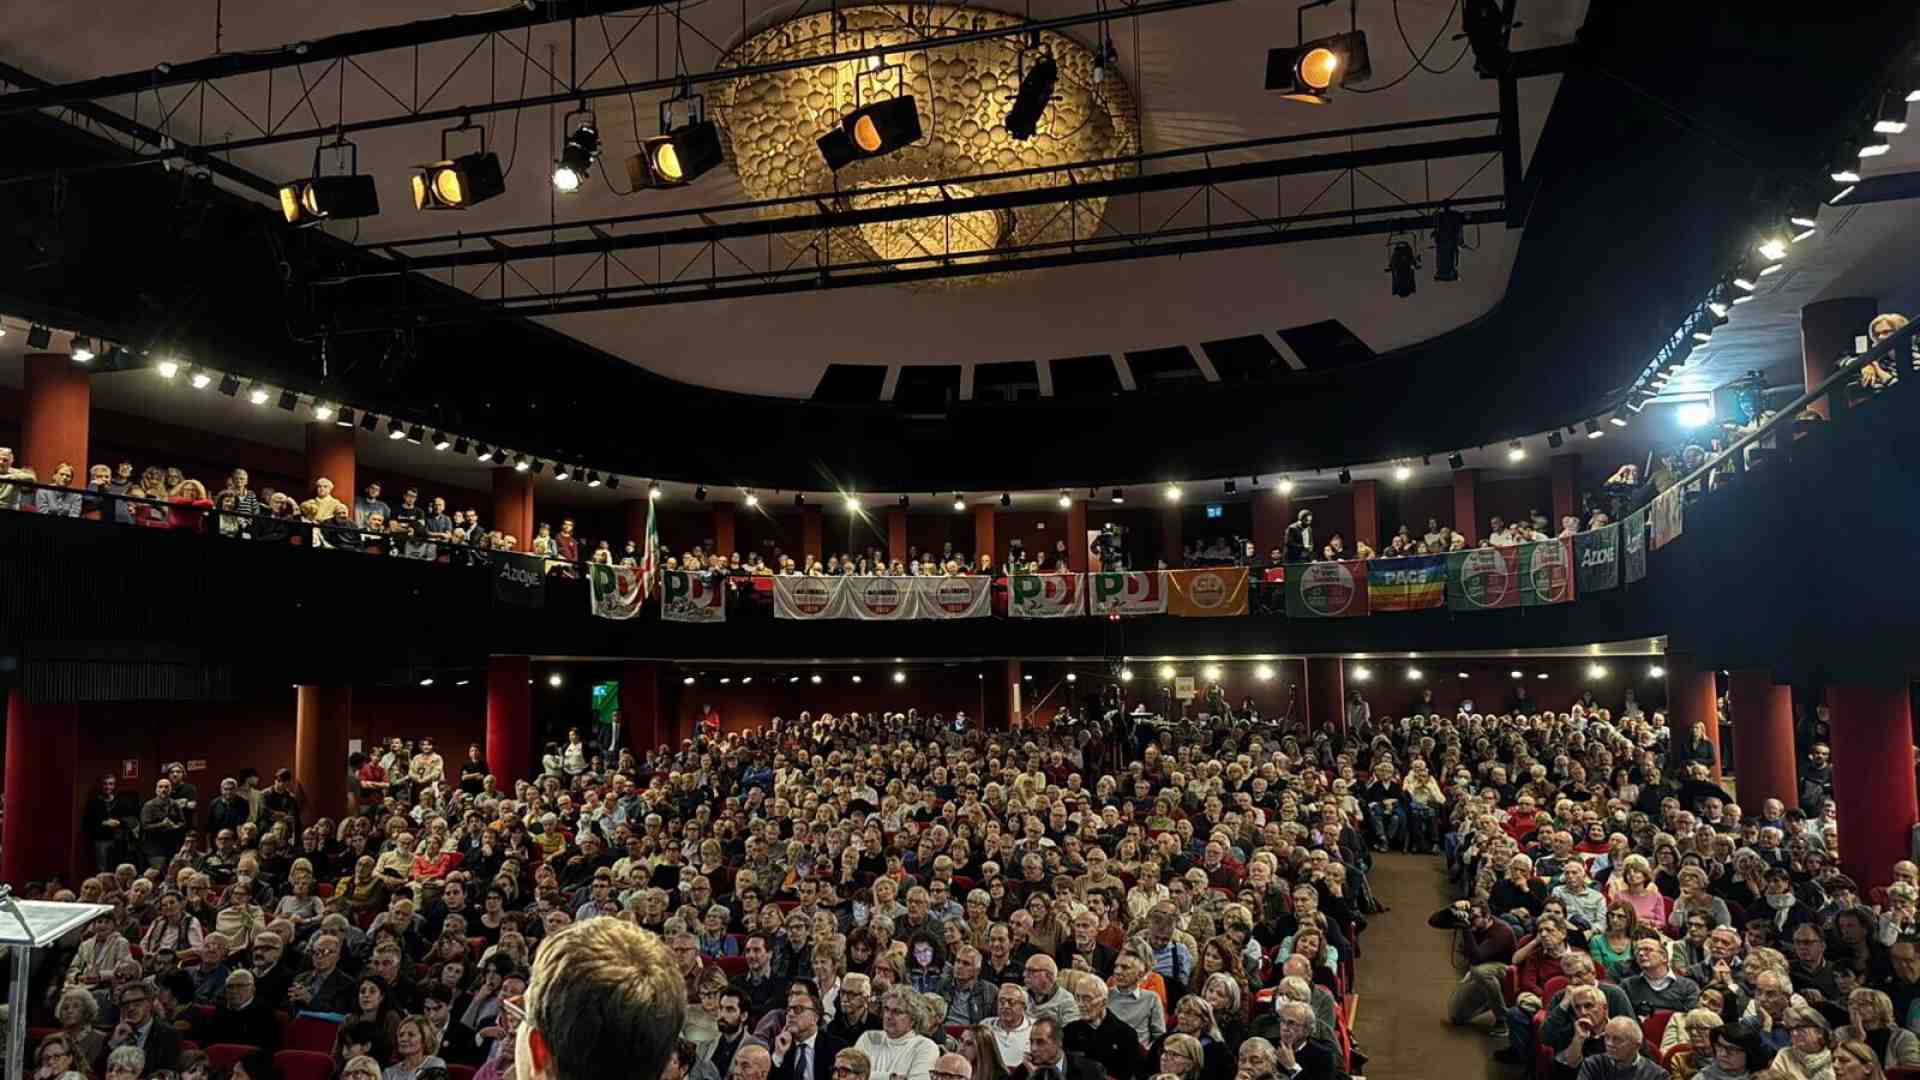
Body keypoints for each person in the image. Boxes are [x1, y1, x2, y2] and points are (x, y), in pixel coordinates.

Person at [851, 986, 938, 1080]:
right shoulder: (868, 1038)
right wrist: (890, 1077)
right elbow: (850, 1075)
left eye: (897, 1012)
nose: (888, 1016)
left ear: (913, 1019)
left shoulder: (925, 1046)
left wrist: (867, 1076)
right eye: (887, 1009)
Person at [771, 985, 845, 1080]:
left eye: (798, 1009)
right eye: (789, 1010)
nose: (790, 1014)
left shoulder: (836, 1047)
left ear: (815, 1018)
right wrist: (778, 1055)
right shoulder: (779, 1044)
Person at [1004, 1018, 1100, 1080]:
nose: (1033, 1048)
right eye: (1031, 1041)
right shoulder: (1023, 1071)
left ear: (1058, 1043)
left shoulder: (1090, 1070)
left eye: (1040, 1042)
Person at [1573, 1016, 1664, 1080]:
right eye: (1607, 1037)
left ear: (1637, 1045)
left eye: (1617, 1040)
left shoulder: (1657, 1075)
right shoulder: (1592, 1064)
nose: (1609, 1044)